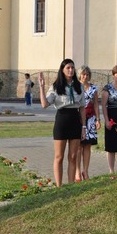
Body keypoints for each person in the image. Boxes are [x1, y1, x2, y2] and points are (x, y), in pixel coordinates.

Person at [38, 59, 85, 187]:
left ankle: (70, 185)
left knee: (73, 156)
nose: (71, 70)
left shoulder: (79, 86)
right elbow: (44, 104)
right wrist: (41, 87)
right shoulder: (56, 87)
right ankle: (59, 186)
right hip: (62, 120)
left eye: (72, 68)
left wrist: (84, 127)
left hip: (75, 120)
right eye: (68, 68)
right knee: (59, 156)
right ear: (62, 70)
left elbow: (82, 108)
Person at [75, 65, 100, 181]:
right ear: (79, 75)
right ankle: (77, 172)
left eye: (87, 74)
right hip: (78, 119)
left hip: (90, 120)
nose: (85, 76)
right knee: (78, 147)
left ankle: (85, 171)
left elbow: (96, 104)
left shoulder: (93, 88)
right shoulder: (75, 87)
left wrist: (98, 119)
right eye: (83, 74)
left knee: (87, 146)